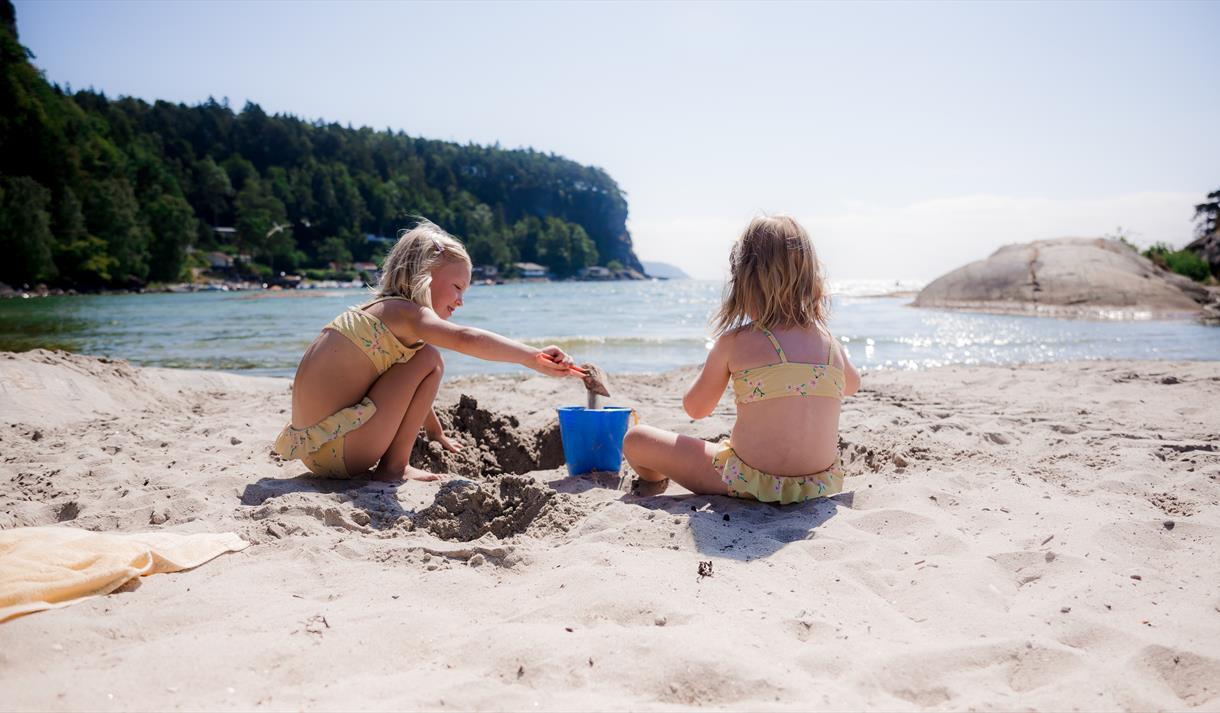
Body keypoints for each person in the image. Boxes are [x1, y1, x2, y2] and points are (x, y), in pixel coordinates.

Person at [274, 219, 577, 482]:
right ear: (425, 274)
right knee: (430, 358)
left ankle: (396, 461)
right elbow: (467, 339)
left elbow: (406, 387)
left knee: (422, 358)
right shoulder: (409, 315)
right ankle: (395, 468)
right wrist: (531, 357)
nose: (460, 301)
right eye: (457, 287)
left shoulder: (383, 313)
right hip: (342, 452)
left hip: (311, 448)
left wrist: (435, 432)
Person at [622, 215, 859, 504]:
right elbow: (852, 385)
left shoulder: (734, 343)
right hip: (818, 482)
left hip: (750, 481)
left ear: (744, 282)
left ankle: (654, 479)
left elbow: (696, 408)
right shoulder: (830, 343)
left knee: (636, 439)